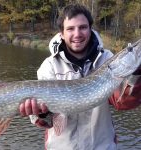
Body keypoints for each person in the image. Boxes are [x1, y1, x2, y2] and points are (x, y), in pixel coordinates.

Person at [19, 4, 141, 150]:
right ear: (62, 33)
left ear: (90, 29)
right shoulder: (49, 66)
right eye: (70, 28)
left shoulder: (107, 59)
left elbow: (123, 103)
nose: (77, 34)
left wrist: (136, 74)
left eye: (83, 27)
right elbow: (46, 122)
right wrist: (42, 114)